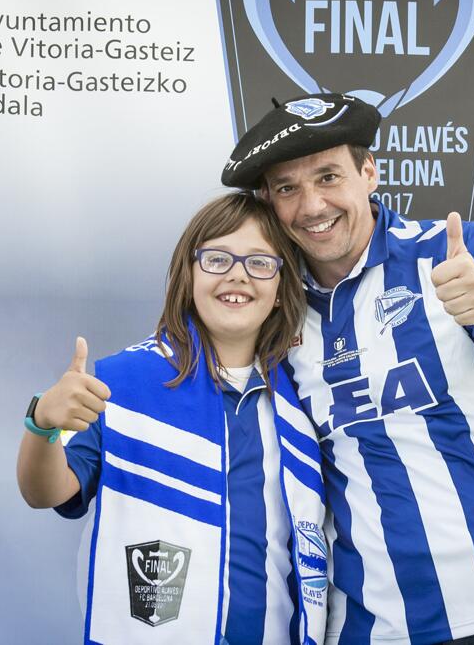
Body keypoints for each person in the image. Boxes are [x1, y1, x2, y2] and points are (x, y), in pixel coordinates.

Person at [221, 94, 474, 645]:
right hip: (373, 625)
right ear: (268, 201)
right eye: (288, 188)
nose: (312, 206)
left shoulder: (451, 252)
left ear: (369, 173)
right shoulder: (270, 300)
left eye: (328, 177)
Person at [16, 193, 329, 645]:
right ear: (189, 275)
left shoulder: (304, 402)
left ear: (282, 290)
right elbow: (46, 491)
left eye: (261, 263)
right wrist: (42, 424)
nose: (238, 274)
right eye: (218, 259)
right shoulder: (117, 381)